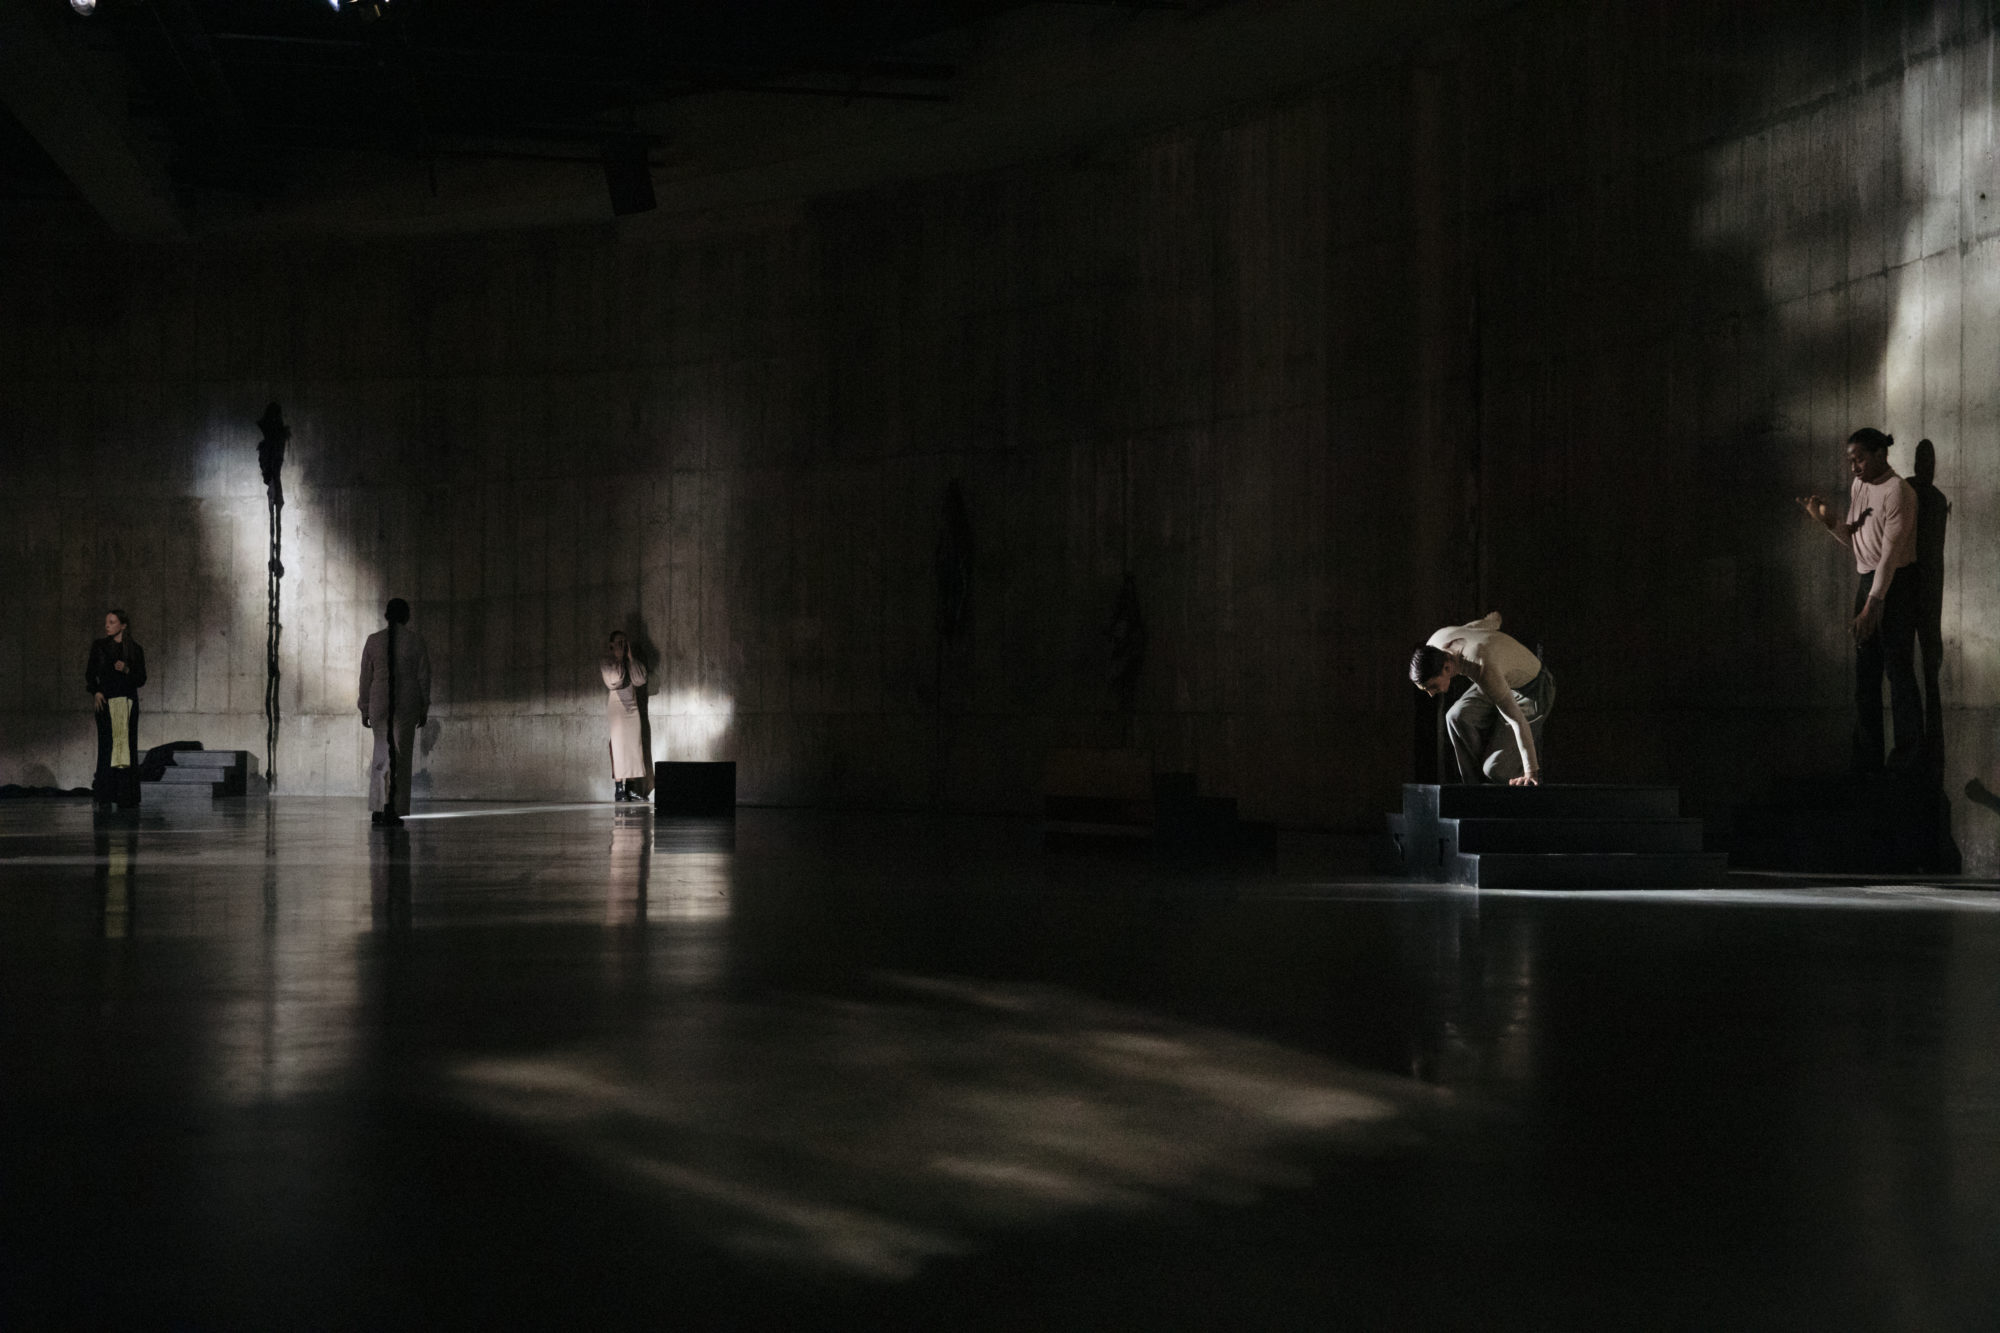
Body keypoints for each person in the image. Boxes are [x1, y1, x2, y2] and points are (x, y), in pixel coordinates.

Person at [1797, 427, 1920, 770]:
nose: (1854, 466)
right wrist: (1826, 521)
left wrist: (1872, 605)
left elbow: (1890, 557)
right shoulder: (1859, 485)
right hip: (1869, 580)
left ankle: (1907, 763)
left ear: (1881, 454)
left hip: (1895, 584)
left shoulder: (1900, 492)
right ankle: (1867, 763)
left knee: (1898, 672)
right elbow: (1856, 542)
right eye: (1851, 460)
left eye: (1860, 458)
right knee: (1866, 676)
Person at [1409, 612, 1553, 786]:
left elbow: (1517, 720)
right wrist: (1495, 619)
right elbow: (1475, 627)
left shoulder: (1481, 666)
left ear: (1447, 667)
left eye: (1433, 687)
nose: (1432, 694)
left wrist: (1531, 773)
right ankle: (1474, 789)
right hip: (1501, 677)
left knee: (1495, 770)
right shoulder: (1435, 643)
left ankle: (1507, 778)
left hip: (1533, 687)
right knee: (1455, 716)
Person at [357, 598, 431, 826]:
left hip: (380, 699)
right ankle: (395, 809)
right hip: (407, 700)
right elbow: (423, 677)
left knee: (381, 753)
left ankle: (379, 808)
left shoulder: (373, 641)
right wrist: (423, 706)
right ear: (406, 616)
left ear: (386, 615)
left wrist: (365, 706)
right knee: (401, 755)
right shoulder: (415, 641)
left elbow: (365, 677)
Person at [85, 609, 147, 810]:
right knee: (107, 747)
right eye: (107, 622)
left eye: (112, 622)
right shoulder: (100, 646)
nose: (107, 625)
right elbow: (89, 674)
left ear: (123, 625)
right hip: (106, 702)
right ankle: (104, 794)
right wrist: (96, 691)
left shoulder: (135, 650)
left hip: (127, 703)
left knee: (126, 748)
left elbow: (141, 679)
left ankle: (125, 796)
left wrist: (127, 670)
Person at [601, 630, 648, 801]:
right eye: (618, 642)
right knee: (619, 747)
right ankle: (619, 789)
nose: (621, 645)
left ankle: (631, 788)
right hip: (617, 708)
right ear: (611, 644)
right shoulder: (607, 662)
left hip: (632, 707)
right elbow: (614, 681)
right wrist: (619, 659)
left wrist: (630, 659)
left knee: (634, 747)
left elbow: (640, 680)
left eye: (624, 642)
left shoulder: (631, 662)